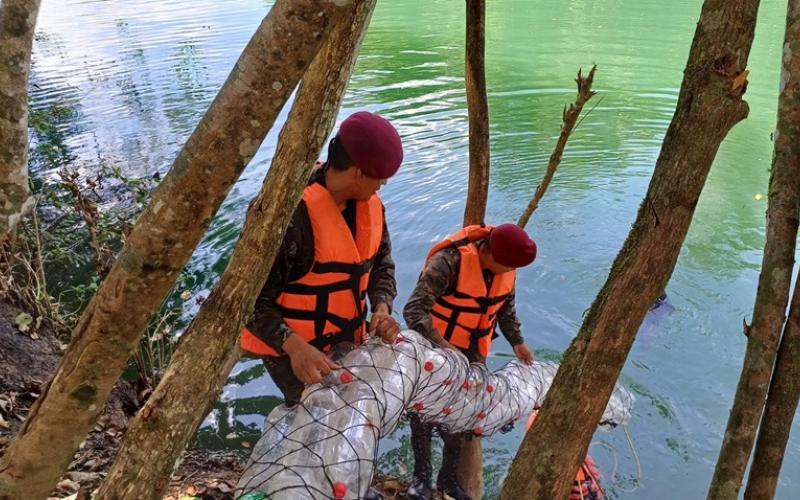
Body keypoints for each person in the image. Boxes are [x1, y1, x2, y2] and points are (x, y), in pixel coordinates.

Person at [241, 111, 403, 409]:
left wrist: (381, 306)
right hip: (293, 350)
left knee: (351, 417)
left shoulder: (372, 207)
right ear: (358, 173)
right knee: (309, 421)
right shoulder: (288, 219)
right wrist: (294, 346)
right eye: (381, 179)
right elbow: (248, 302)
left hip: (349, 341)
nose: (382, 185)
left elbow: (383, 266)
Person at [403, 223, 537, 500]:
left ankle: (448, 480)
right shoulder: (448, 263)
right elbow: (414, 310)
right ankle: (421, 479)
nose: (513, 272)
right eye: (510, 266)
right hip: (434, 353)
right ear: (491, 255)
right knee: (423, 417)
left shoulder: (506, 270)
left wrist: (517, 342)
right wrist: (443, 346)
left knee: (463, 419)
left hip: (473, 356)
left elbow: (505, 311)